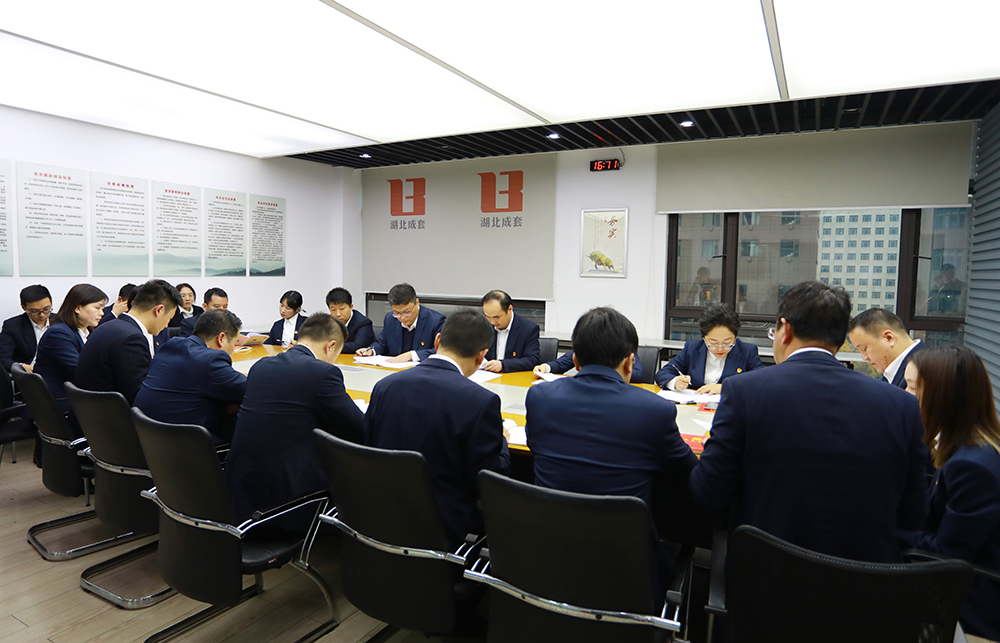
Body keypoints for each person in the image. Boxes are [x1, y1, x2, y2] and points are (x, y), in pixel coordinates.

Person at [689, 281, 928, 564]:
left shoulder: (745, 392)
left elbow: (709, 494)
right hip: (867, 576)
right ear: (840, 337)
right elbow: (914, 512)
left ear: (785, 329)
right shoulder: (902, 405)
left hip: (767, 573)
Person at [526, 307, 697, 590]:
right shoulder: (654, 409)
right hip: (628, 572)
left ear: (575, 360)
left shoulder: (539, 396)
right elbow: (689, 472)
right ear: (630, 362)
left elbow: (534, 444)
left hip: (549, 555)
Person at [365, 310, 510, 548]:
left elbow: (368, 446)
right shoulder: (480, 402)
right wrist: (502, 440)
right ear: (482, 356)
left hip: (381, 513)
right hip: (443, 525)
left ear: (438, 340)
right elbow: (489, 478)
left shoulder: (384, 386)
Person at [900, 346, 1000, 641]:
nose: (904, 394)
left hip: (973, 616)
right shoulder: (973, 447)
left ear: (943, 397)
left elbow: (947, 555)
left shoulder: (972, 467)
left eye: (913, 387)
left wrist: (888, 531)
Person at [226, 313, 364, 523]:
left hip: (241, 494)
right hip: (287, 502)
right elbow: (358, 428)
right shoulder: (322, 372)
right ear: (331, 346)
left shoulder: (260, 366)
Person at [134, 309, 248, 444]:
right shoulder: (210, 360)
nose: (234, 349)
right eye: (234, 343)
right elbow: (251, 390)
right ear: (221, 338)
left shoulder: (171, 345)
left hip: (146, 438)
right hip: (184, 445)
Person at [74, 280, 180, 405]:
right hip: (110, 413)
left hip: (89, 411)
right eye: (169, 318)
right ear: (159, 310)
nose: (167, 325)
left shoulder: (108, 326)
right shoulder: (131, 338)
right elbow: (139, 397)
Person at [34, 284, 107, 433]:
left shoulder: (84, 332)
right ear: (78, 308)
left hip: (74, 397)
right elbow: (81, 371)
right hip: (62, 403)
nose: (102, 313)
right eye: (97, 308)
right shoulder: (59, 334)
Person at [654, 303, 764, 394]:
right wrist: (675, 382)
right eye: (713, 343)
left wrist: (725, 387)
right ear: (704, 338)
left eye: (727, 343)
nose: (720, 348)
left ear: (735, 337)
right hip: (695, 407)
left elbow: (762, 381)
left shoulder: (747, 352)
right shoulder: (692, 349)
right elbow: (663, 373)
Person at [356, 283, 444, 362]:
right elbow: (382, 343)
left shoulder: (435, 321)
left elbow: (441, 351)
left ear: (417, 303)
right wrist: (371, 351)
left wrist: (411, 355)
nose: (402, 317)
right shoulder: (390, 319)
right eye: (397, 313)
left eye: (407, 312)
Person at [847, 307, 923, 389]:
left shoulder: (923, 370)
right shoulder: (892, 371)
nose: (864, 357)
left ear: (889, 338)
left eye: (864, 349)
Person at [480, 289, 540, 373]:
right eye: (488, 317)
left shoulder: (528, 328)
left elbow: (532, 360)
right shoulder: (483, 326)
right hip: (487, 376)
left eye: (496, 317)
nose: (492, 322)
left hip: (513, 376)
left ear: (510, 309)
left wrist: (503, 365)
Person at [0, 284, 54, 372]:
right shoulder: (12, 326)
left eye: (46, 309)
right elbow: (3, 358)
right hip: (29, 374)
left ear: (51, 302)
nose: (42, 315)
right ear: (23, 307)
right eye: (35, 311)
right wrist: (21, 367)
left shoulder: (62, 322)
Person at [532, 349, 644, 381]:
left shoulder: (625, 347)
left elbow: (638, 374)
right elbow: (562, 363)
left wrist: (602, 369)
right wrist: (545, 368)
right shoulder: (587, 345)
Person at [326, 287, 375, 354]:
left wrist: (331, 346)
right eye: (333, 310)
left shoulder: (363, 323)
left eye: (342, 309)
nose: (338, 314)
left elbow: (357, 346)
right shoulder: (328, 322)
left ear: (351, 307)